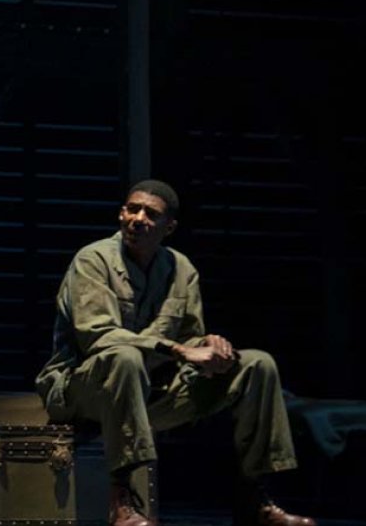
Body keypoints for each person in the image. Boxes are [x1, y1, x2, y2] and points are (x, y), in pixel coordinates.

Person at [35, 180, 316, 526]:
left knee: (258, 364)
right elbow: (100, 336)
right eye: (131, 209)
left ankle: (253, 497)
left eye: (150, 214)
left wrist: (212, 348)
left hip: (153, 391)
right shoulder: (93, 260)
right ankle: (121, 497)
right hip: (85, 390)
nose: (137, 218)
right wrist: (180, 349)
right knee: (125, 358)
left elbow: (190, 338)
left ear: (169, 227)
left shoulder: (181, 269)